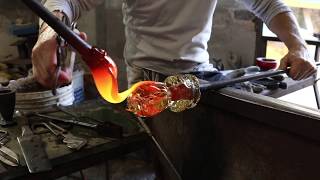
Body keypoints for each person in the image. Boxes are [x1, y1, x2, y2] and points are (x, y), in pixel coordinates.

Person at [32, 0, 317, 179]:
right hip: (146, 80)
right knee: (162, 163)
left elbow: (268, 3)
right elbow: (68, 1)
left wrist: (298, 46)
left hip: (202, 77)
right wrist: (49, 32)